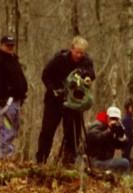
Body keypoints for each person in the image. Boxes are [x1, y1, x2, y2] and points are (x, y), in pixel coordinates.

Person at [35, 36, 96, 165]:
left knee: (73, 132)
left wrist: (84, 74)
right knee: (48, 130)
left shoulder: (86, 61)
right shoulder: (59, 59)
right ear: (71, 49)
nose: (79, 55)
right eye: (77, 52)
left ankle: (69, 161)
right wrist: (54, 89)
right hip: (55, 101)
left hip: (74, 101)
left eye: (82, 53)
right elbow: (45, 75)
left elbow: (91, 74)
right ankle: (41, 160)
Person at [0, 34, 28, 159]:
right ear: (2, 45)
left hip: (16, 101)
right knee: (7, 128)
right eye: (8, 45)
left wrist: (22, 94)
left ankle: (9, 155)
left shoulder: (14, 60)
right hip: (6, 101)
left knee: (14, 129)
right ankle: (5, 156)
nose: (10, 48)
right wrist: (2, 98)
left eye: (12, 45)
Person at [85, 106, 130, 174]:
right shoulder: (97, 125)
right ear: (107, 117)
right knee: (124, 163)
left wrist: (122, 136)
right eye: (112, 118)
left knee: (125, 162)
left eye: (116, 119)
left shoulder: (115, 128)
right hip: (93, 161)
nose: (113, 121)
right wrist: (109, 131)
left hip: (105, 160)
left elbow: (121, 145)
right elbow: (95, 139)